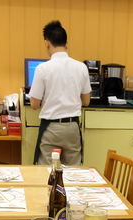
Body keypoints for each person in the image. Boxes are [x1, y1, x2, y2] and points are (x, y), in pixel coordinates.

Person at [29, 20, 91, 166]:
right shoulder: (81, 67)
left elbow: (33, 104)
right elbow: (86, 102)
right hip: (72, 128)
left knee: (47, 174)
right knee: (73, 173)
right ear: (66, 44)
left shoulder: (42, 69)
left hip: (51, 128)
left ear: (47, 44)